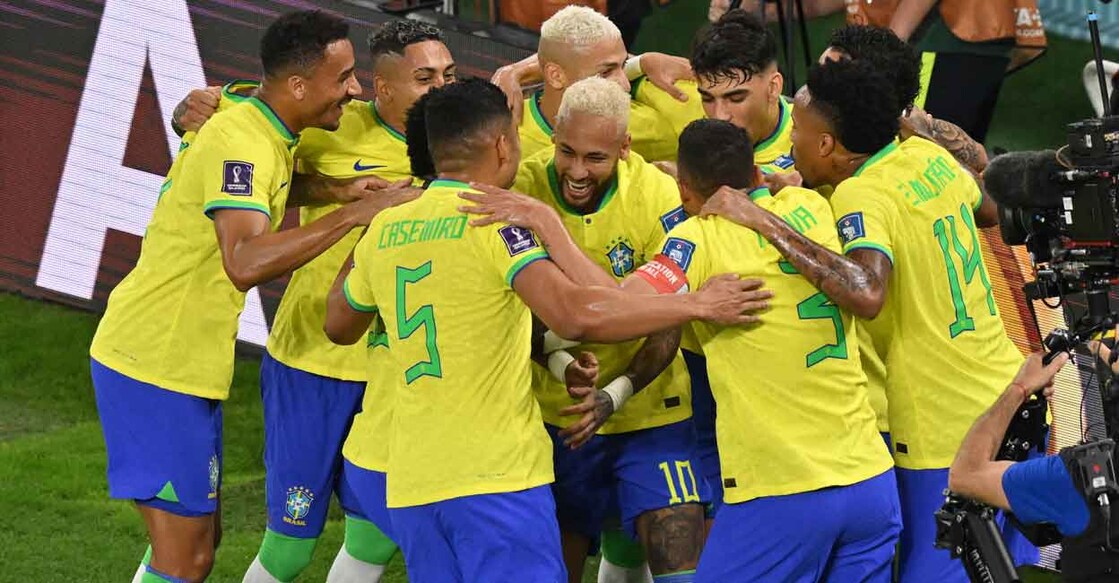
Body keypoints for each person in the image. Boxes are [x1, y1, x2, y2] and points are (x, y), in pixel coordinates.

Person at [322, 78, 769, 583]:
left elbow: (338, 324)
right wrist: (697, 303)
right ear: (501, 145)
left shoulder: (387, 228)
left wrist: (367, 234)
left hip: (413, 482)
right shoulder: (495, 221)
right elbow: (576, 315)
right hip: (496, 475)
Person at [88, 10, 417, 583]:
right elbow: (243, 263)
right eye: (343, 78)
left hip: (180, 363)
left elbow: (266, 185)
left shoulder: (262, 128)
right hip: (154, 362)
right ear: (298, 85)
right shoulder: (246, 143)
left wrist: (337, 190)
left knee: (196, 544)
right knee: (185, 557)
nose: (355, 89)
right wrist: (356, 215)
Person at [704, 58, 1024, 582]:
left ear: (829, 146)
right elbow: (988, 211)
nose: (790, 146)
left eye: (800, 135)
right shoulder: (927, 156)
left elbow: (867, 291)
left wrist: (763, 219)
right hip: (1003, 390)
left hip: (943, 428)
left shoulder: (859, 194)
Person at [645, 118, 899, 581]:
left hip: (782, 493)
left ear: (685, 192)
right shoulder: (808, 207)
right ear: (757, 175)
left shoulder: (696, 238)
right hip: (870, 485)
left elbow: (626, 303)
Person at [511, 76, 707, 583]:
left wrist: (613, 396)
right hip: (557, 420)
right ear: (554, 135)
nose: (577, 171)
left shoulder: (659, 197)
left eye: (595, 158)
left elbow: (669, 317)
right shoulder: (521, 190)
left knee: (681, 568)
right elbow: (511, 311)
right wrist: (558, 359)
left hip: (651, 414)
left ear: (625, 147)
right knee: (552, 573)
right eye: (567, 151)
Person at [497, 6, 681, 162]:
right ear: (556, 76)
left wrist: (642, 62)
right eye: (606, 73)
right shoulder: (508, 143)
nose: (625, 86)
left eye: (623, 66)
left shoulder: (644, 123)